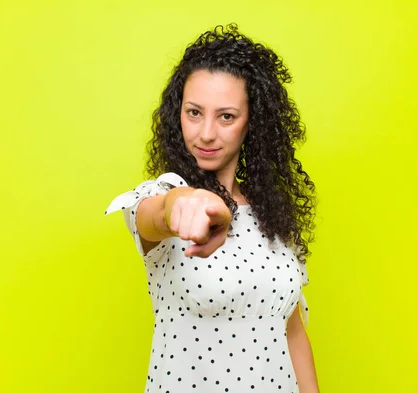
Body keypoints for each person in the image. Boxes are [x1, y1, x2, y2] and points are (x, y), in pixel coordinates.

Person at [105, 23, 320, 393]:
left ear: (251, 123)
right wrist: (186, 204)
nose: (206, 133)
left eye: (226, 116)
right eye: (193, 113)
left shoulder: (273, 216)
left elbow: (291, 331)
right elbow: (156, 215)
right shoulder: (168, 195)